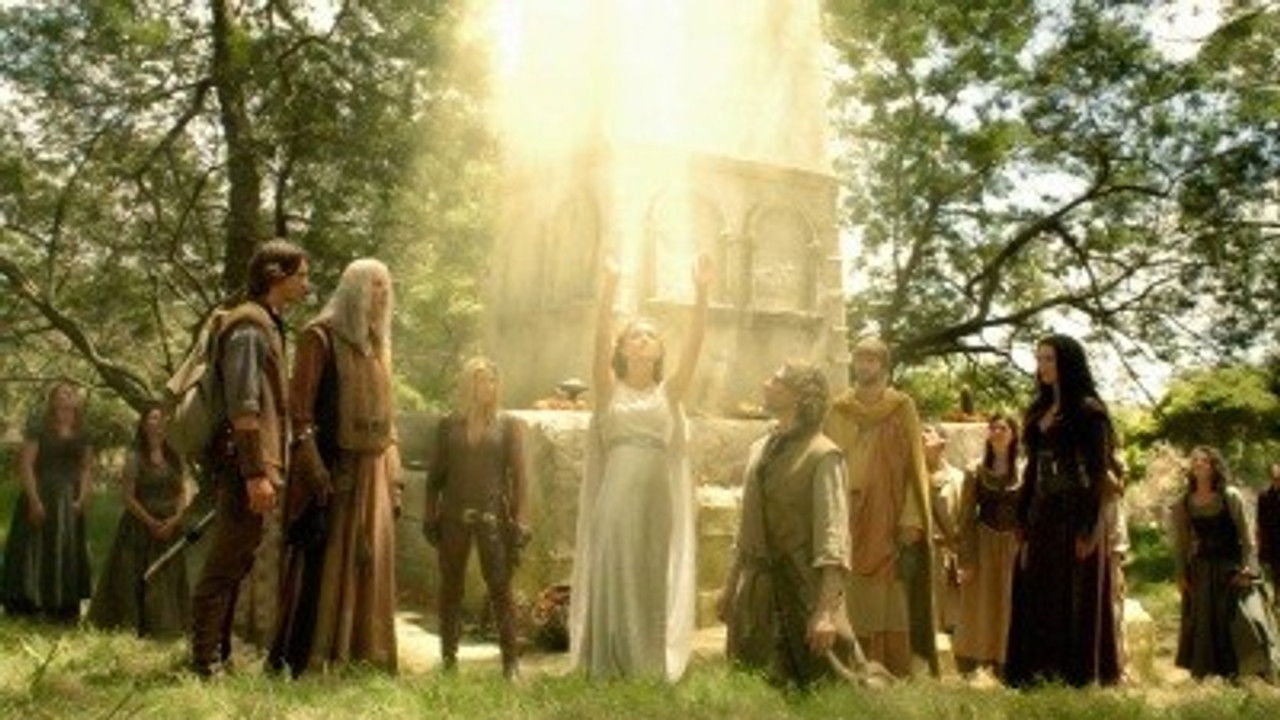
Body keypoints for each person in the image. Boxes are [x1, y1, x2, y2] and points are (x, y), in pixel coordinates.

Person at [568, 254, 710, 680]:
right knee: (614, 565)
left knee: (650, 570)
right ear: (623, 348)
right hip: (615, 490)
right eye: (635, 335)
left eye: (651, 336)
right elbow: (598, 343)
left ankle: (646, 663)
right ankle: (607, 659)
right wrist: (609, 288)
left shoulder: (670, 393)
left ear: (660, 349)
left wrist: (703, 293)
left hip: (656, 494)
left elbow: (695, 348)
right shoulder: (608, 390)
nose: (643, 340)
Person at [269, 258, 401, 675]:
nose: (382, 293)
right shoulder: (320, 337)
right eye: (374, 285)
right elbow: (299, 411)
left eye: (386, 285)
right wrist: (313, 466)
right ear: (354, 290)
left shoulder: (378, 345)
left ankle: (364, 656)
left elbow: (390, 419)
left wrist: (394, 478)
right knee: (325, 560)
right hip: (333, 468)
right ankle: (316, 657)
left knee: (368, 560)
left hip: (373, 472)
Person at [189, 239, 309, 676]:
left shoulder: (266, 324)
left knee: (238, 559)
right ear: (276, 276)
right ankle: (205, 661)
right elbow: (244, 409)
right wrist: (255, 472)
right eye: (301, 275)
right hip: (243, 465)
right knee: (225, 562)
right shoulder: (249, 328)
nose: (307, 285)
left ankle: (219, 654)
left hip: (252, 466)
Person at [719, 361, 864, 688]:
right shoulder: (759, 449)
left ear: (799, 395)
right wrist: (730, 589)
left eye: (777, 380)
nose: (766, 384)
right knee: (750, 690)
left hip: (800, 593)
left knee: (819, 691)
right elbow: (746, 529)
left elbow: (833, 538)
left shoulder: (823, 455)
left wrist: (825, 612)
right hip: (755, 597)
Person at [1004, 334, 1119, 687]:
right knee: (1036, 592)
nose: (1042, 366)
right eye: (1039, 359)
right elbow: (1031, 470)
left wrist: (1088, 528)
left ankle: (1074, 678)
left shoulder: (1089, 411)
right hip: (1041, 513)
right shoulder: (1038, 410)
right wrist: (1021, 516)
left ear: (1066, 362)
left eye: (1049, 359)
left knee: (1073, 595)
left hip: (1075, 514)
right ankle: (1036, 676)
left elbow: (1098, 474)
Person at [824, 337, 937, 678]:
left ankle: (890, 665)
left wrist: (911, 517)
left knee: (889, 589)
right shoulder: (838, 408)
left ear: (884, 366)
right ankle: (849, 661)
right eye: (859, 358)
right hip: (845, 510)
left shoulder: (901, 407)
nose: (864, 365)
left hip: (888, 513)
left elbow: (915, 467)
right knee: (848, 585)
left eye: (871, 359)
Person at [423, 357, 528, 679]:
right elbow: (434, 477)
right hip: (454, 514)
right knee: (450, 588)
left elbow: (519, 477)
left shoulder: (507, 425)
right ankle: (448, 661)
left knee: (501, 588)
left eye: (492, 380)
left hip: (493, 515)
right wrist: (429, 514)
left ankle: (510, 664)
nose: (488, 387)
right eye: (481, 380)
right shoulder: (448, 424)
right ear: (468, 385)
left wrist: (522, 519)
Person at [87, 404, 191, 636]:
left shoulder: (175, 456)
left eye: (162, 418)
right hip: (139, 526)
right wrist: (151, 522)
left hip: (170, 525)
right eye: (153, 418)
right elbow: (127, 496)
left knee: (167, 575)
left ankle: (166, 624)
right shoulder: (135, 457)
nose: (158, 423)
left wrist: (175, 519)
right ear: (144, 424)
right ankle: (135, 624)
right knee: (136, 575)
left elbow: (183, 492)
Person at [1, 382, 94, 621]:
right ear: (52, 400)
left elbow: (86, 468)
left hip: (70, 499)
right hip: (42, 493)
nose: (67, 397)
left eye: (70, 393)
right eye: (61, 393)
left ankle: (62, 605)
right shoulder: (39, 428)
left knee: (65, 550)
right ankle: (32, 603)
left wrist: (82, 497)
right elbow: (26, 465)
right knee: (37, 549)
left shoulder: (83, 432)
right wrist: (34, 500)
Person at [1170, 447, 1260, 679]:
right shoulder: (1184, 502)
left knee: (1234, 620)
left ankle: (1239, 673)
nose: (1198, 464)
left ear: (1214, 467)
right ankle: (1205, 672)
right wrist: (1181, 574)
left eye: (1204, 461)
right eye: (1195, 461)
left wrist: (1248, 568)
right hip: (1201, 569)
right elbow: (1181, 543)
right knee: (1203, 622)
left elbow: (1247, 536)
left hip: (1230, 567)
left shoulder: (1230, 496)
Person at [952, 414, 1021, 677]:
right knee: (982, 603)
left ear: (1013, 434)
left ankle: (1007, 661)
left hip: (1013, 544)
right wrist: (966, 559)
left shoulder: (1025, 469)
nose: (997, 432)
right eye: (993, 428)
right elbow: (966, 516)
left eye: (1003, 428)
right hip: (984, 542)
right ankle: (977, 661)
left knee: (1009, 602)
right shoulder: (976, 470)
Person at [922, 423, 963, 635]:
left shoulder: (958, 478)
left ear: (942, 442)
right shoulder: (910, 480)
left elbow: (965, 520)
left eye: (928, 431)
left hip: (948, 555)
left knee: (953, 621)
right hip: (921, 554)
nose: (922, 434)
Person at [1258, 461, 1280, 610]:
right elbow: (1260, 520)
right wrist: (1260, 539)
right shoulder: (1264, 496)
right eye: (1274, 477)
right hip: (1270, 539)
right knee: (1273, 570)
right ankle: (1274, 599)